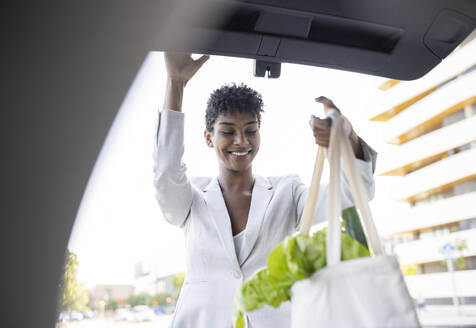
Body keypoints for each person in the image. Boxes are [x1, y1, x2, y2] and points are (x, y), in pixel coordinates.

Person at [153, 53, 377, 328]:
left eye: (251, 130)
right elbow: (166, 170)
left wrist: (347, 136)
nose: (241, 141)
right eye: (228, 131)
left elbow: (354, 192)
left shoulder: (287, 192)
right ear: (209, 137)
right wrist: (176, 84)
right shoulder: (191, 199)